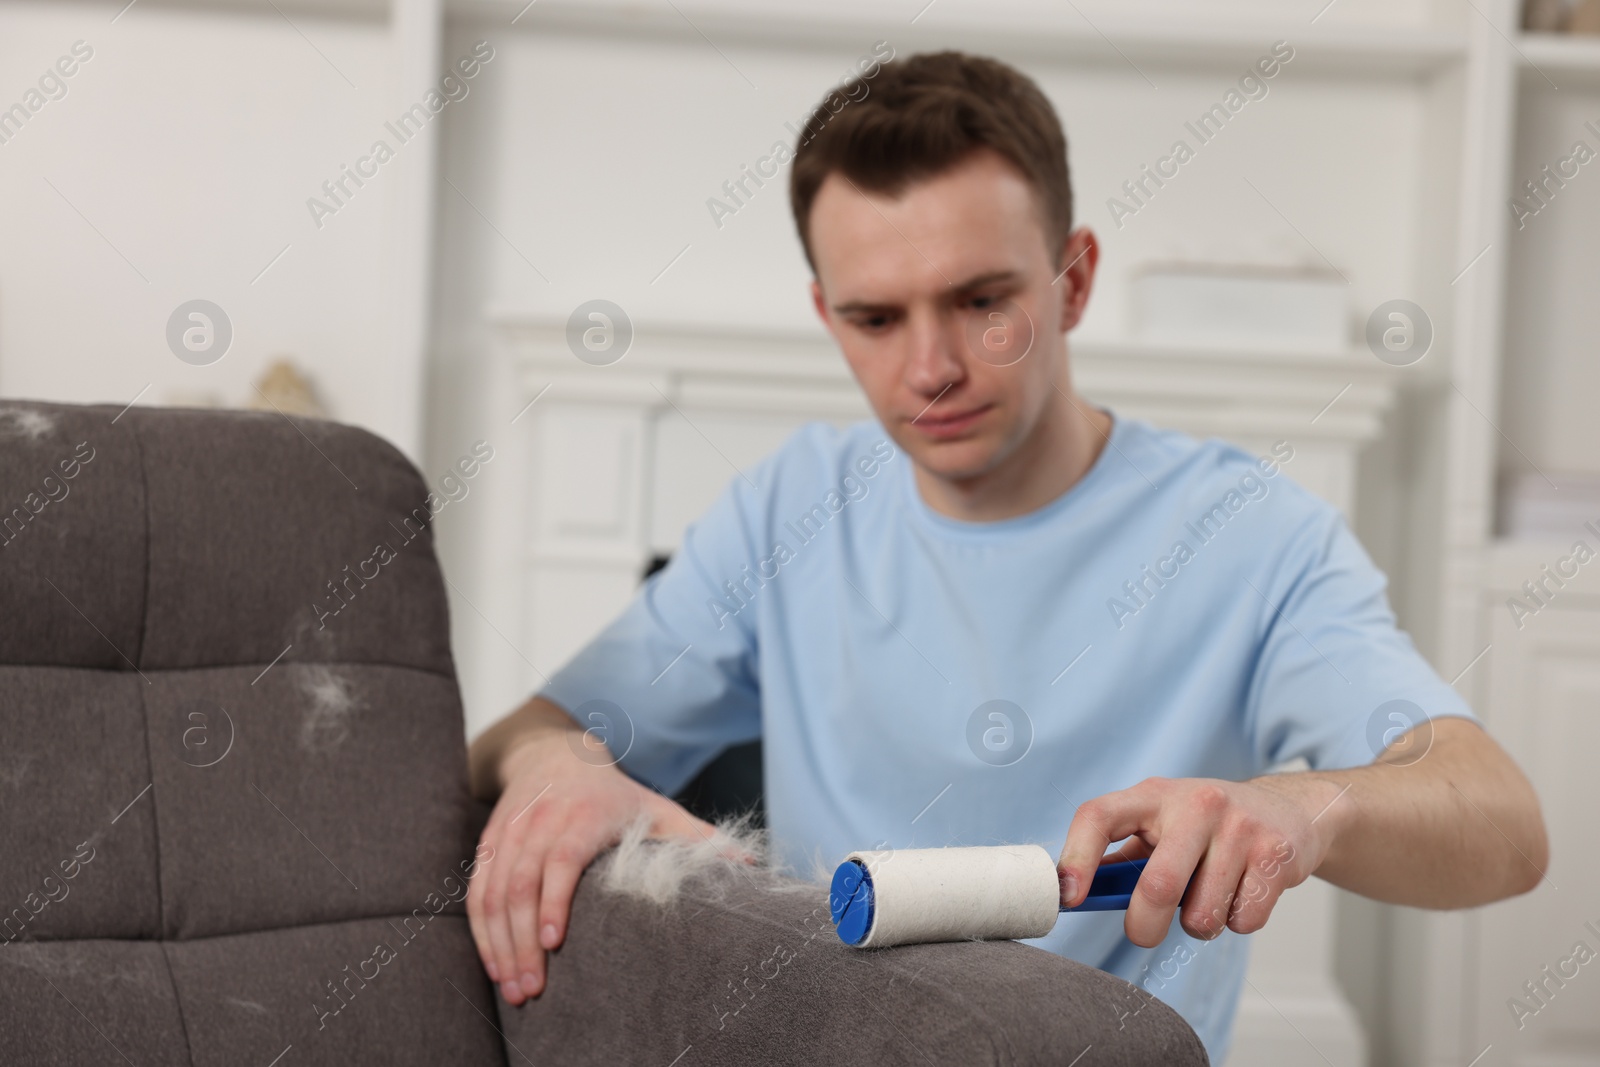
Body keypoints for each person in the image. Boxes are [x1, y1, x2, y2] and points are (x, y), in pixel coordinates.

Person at [464, 50, 1546, 1060]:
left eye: (982, 302)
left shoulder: (1252, 532)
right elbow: (522, 736)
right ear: (825, 315)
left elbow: (1499, 820)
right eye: (875, 318)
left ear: (1071, 281)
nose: (929, 367)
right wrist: (561, 763)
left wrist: (1300, 809)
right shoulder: (786, 509)